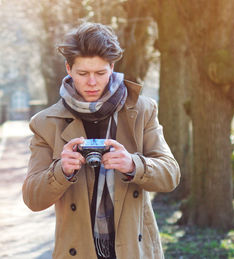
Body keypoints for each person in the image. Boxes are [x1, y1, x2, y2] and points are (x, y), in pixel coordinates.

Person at [22, 22, 180, 259]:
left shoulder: (142, 110)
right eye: (83, 74)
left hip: (134, 250)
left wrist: (132, 165)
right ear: (68, 69)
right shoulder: (46, 123)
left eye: (100, 73)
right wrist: (61, 171)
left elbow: (171, 175)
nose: (92, 82)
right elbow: (33, 199)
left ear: (112, 67)